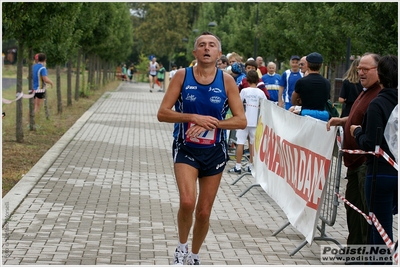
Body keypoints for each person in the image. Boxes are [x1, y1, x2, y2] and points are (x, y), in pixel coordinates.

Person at [157, 31, 246, 265]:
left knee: (204, 212)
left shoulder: (226, 81)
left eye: (212, 45)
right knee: (187, 202)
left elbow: (241, 120)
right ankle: (181, 248)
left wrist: (214, 123)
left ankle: (194, 256)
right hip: (186, 148)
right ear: (195, 52)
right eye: (202, 45)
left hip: (215, 151)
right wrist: (193, 117)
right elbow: (163, 113)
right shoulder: (181, 76)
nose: (207, 48)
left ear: (218, 53)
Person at [327, 53, 382, 252]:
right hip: (354, 164)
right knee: (353, 209)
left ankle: (366, 255)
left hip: (364, 164)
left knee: (365, 213)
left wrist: (356, 130)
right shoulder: (365, 91)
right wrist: (342, 121)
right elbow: (357, 115)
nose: (361, 73)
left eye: (366, 69)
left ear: (379, 71)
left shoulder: (379, 94)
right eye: (359, 68)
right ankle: (355, 252)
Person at [350, 55, 397, 257]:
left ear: (380, 75)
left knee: (380, 230)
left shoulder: (377, 104)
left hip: (380, 173)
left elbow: (371, 143)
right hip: (395, 171)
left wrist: (356, 132)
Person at [228, 70, 267, 174]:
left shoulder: (244, 91)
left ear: (247, 80)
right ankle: (251, 165)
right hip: (255, 122)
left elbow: (238, 104)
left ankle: (238, 166)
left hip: (243, 121)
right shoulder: (261, 92)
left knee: (240, 142)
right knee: (252, 143)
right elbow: (264, 106)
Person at [291, 52, 330, 121]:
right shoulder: (326, 83)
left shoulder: (301, 82)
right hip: (322, 118)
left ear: (308, 65)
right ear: (321, 65)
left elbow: (293, 101)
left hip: (305, 117)